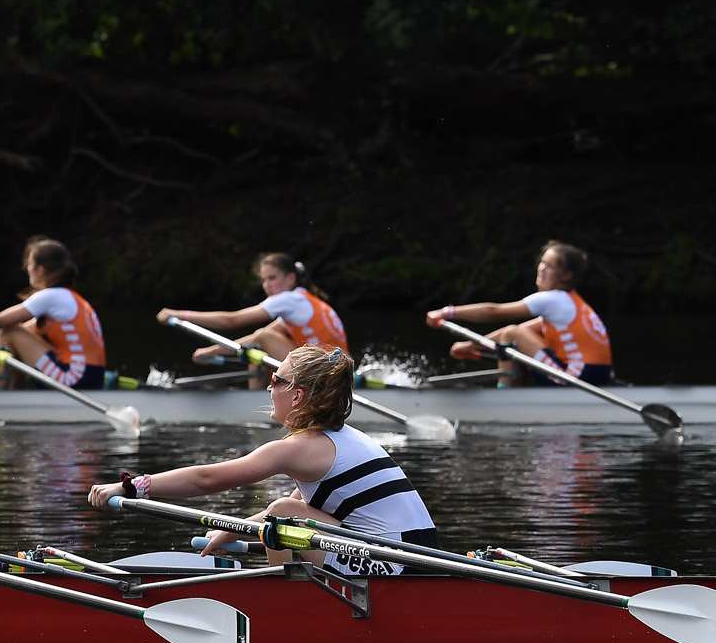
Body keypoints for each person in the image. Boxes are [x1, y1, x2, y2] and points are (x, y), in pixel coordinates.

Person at [85, 344, 437, 576]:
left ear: (297, 396)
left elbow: (207, 480)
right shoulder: (345, 438)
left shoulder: (299, 447)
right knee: (282, 510)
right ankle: (293, 592)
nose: (268, 389)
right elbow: (307, 506)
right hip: (418, 557)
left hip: (399, 565)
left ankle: (284, 602)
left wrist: (129, 487)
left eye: (275, 381)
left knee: (283, 512)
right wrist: (233, 527)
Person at [0, 236, 114, 389]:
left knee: (9, 330)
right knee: (13, 333)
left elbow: (0, 321)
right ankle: (10, 393)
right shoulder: (69, 299)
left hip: (74, 378)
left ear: (40, 270)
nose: (26, 268)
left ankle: (0, 395)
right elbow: (23, 333)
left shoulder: (51, 296)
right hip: (91, 377)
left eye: (29, 264)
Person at [425, 241, 613, 386]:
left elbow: (494, 312)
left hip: (575, 378)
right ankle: (516, 391)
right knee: (514, 335)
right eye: (542, 263)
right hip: (598, 375)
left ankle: (505, 395)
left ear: (566, 276)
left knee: (512, 335)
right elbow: (513, 331)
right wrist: (470, 345)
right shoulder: (571, 303)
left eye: (550, 266)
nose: (542, 269)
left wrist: (446, 312)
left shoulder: (553, 299)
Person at [156, 252, 347, 387]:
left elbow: (232, 321)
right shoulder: (301, 301)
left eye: (272, 278)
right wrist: (211, 351)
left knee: (263, 338)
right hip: (333, 369)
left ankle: (255, 400)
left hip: (323, 372)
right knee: (260, 340)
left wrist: (179, 314)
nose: (267, 285)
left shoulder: (289, 300)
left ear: (290, 278)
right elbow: (256, 337)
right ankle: (261, 396)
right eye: (264, 280)